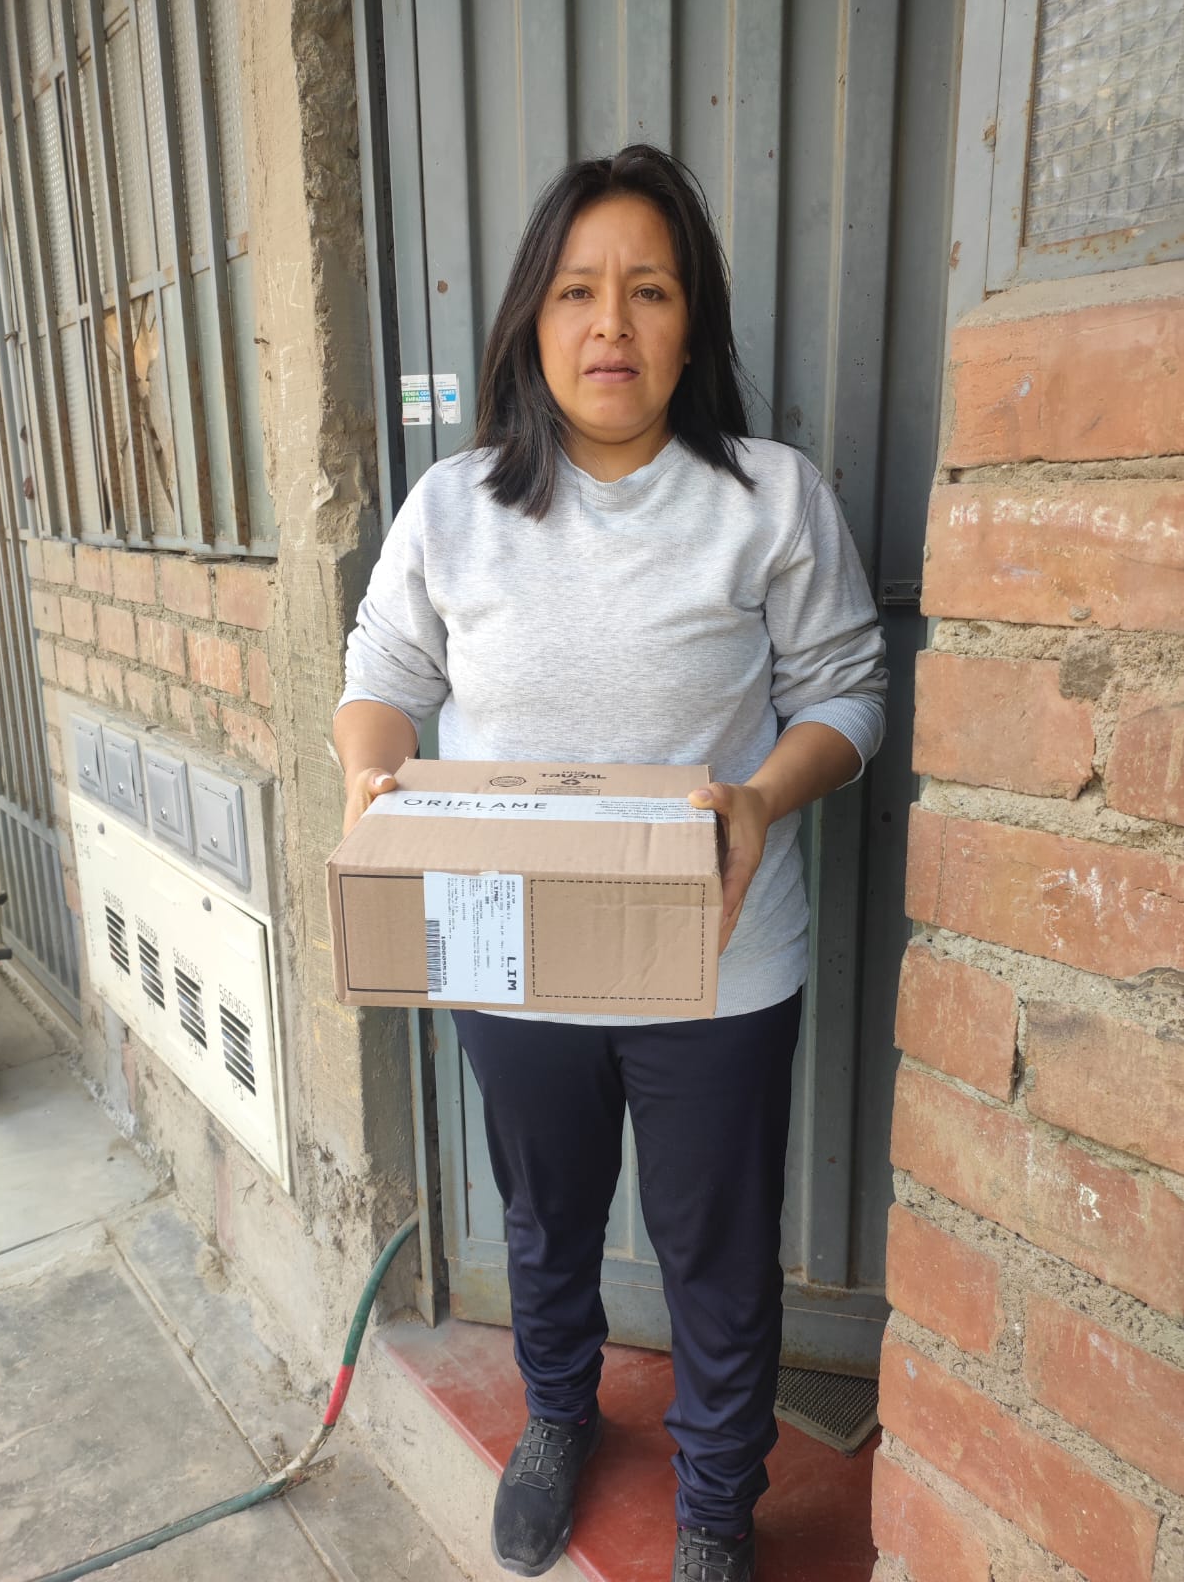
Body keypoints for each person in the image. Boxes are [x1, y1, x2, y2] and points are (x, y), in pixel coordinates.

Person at [334, 144, 886, 1582]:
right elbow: (382, 672)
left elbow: (847, 693)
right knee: (544, 1221)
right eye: (577, 290)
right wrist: (370, 773)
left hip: (717, 956)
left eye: (649, 290)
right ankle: (559, 1418)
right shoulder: (455, 506)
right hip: (506, 948)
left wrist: (762, 794)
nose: (610, 325)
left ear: (692, 323)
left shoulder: (768, 499)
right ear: (533, 318)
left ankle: (715, 1506)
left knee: (716, 1250)